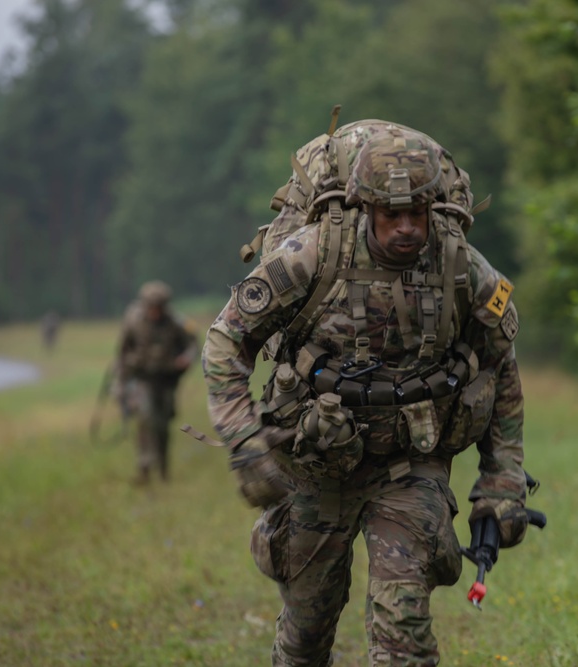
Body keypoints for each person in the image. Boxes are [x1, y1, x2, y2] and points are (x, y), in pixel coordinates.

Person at [203, 123, 530, 666]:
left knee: (404, 629)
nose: (406, 228)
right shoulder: (310, 255)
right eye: (390, 215)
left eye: (417, 214)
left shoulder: (460, 266)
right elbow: (225, 341)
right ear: (363, 207)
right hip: (316, 463)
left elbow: (499, 365)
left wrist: (503, 480)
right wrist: (244, 441)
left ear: (434, 208)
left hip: (411, 465)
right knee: (307, 634)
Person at [117, 281, 197, 484]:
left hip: (167, 381)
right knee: (146, 419)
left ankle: (163, 468)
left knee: (162, 426)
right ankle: (144, 468)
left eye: (159, 307)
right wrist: (121, 384)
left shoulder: (176, 322)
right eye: (151, 307)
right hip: (142, 379)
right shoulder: (133, 320)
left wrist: (186, 359)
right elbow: (123, 352)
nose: (155, 312)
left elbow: (193, 344)